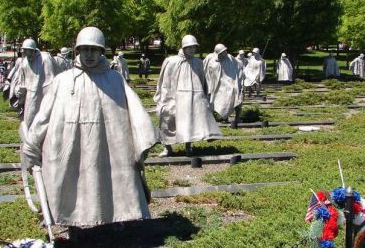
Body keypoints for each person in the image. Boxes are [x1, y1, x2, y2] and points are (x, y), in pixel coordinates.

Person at [22, 26, 157, 229]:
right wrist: (32, 142)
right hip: (70, 145)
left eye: (94, 50)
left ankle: (115, 217)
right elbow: (44, 115)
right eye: (85, 49)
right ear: (78, 50)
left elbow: (136, 113)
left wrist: (143, 138)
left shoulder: (114, 80)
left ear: (101, 51)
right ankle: (70, 220)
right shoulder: (62, 81)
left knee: (109, 182)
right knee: (70, 184)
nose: (89, 54)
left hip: (109, 148)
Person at [155, 34, 221, 157]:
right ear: (184, 47)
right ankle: (167, 147)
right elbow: (164, 81)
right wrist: (164, 97)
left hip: (191, 98)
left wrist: (204, 97)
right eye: (189, 47)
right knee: (167, 119)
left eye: (194, 47)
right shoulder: (171, 61)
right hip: (172, 97)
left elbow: (203, 81)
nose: (192, 49)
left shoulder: (198, 63)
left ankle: (188, 146)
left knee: (190, 121)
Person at [203, 44, 244, 128]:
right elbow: (205, 71)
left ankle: (237, 116)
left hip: (230, 83)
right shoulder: (210, 59)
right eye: (222, 52)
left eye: (225, 51)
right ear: (217, 53)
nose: (224, 53)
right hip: (217, 85)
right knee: (216, 100)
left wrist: (240, 79)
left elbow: (238, 66)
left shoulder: (230, 58)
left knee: (236, 98)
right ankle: (222, 117)